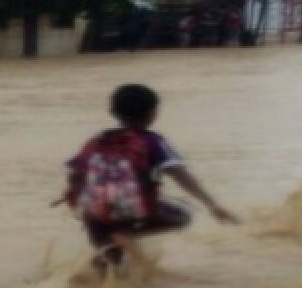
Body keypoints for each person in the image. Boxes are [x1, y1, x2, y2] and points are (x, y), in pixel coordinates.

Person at [63, 84, 240, 267]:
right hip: (136, 213)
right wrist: (212, 205)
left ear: (112, 111)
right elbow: (180, 174)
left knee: (108, 265)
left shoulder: (96, 141)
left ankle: (83, 275)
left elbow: (75, 173)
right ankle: (126, 235)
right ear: (152, 113)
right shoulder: (152, 141)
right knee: (184, 214)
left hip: (95, 215)